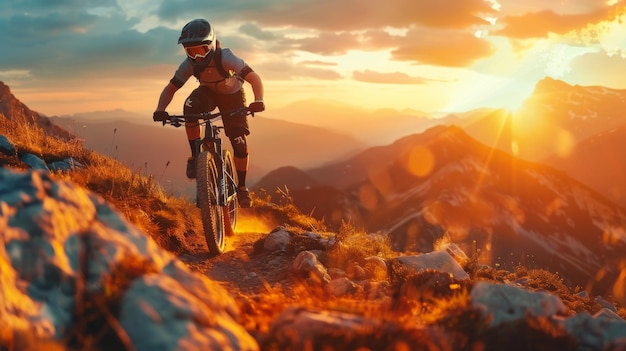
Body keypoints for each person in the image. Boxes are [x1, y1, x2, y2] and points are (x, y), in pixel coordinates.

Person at [153, 18, 265, 208]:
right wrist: (160, 109)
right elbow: (171, 88)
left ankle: (242, 188)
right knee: (190, 108)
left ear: (211, 44)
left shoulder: (226, 57)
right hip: (209, 94)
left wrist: (258, 99)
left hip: (233, 96)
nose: (196, 56)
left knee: (238, 140)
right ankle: (196, 156)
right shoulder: (189, 65)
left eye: (201, 50)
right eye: (191, 51)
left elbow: (253, 77)